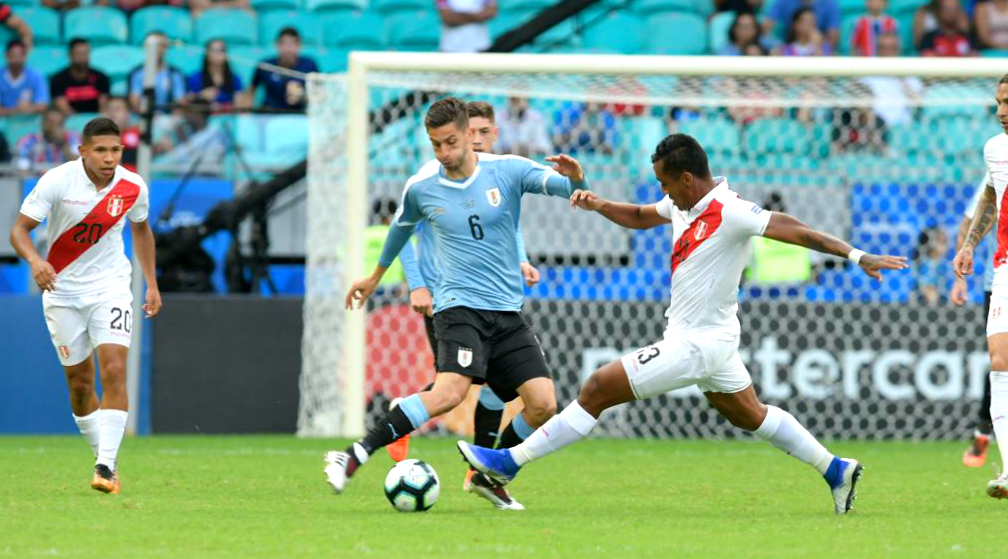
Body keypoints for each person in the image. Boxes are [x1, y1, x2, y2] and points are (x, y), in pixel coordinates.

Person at [458, 133, 909, 515]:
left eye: (666, 183)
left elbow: (796, 229)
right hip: (710, 341)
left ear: (688, 179)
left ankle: (507, 462)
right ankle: (837, 470)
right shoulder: (682, 205)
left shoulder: (729, 210)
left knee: (596, 388)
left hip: (698, 343)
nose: (664, 192)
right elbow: (637, 216)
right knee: (750, 414)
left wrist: (857, 255)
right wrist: (598, 205)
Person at [326, 97, 589, 502]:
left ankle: (489, 473)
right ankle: (354, 454)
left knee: (542, 404)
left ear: (470, 135)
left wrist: (576, 179)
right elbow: (400, 231)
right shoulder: (423, 186)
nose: (445, 153)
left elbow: (568, 190)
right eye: (436, 145)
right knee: (450, 393)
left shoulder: (508, 170)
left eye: (451, 142)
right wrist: (375, 277)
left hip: (505, 312)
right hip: (457, 307)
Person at [395, 100, 548, 510]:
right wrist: (417, 285)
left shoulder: (494, 173)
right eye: (470, 133)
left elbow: (504, 226)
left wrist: (521, 259)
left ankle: (480, 467)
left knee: (494, 385)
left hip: (492, 296)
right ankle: (411, 417)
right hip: (446, 295)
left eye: (482, 133)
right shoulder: (432, 177)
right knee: (463, 385)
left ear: (490, 134)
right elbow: (403, 232)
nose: (473, 140)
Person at [7, 116, 160, 494]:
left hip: (110, 288)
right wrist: (36, 262)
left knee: (113, 368)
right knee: (79, 386)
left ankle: (105, 466)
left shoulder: (132, 186)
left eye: (116, 150)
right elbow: (18, 230)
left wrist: (152, 283)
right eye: (102, 150)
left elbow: (141, 229)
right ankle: (105, 458)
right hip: (62, 291)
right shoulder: (57, 180)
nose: (110, 158)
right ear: (83, 151)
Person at [952, 73, 1008, 499]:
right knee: (999, 360)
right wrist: (970, 245)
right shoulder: (995, 149)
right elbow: (990, 196)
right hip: (1004, 266)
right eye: (999, 102)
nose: (1002, 112)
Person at [951, 179, 995, 467]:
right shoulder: (999, 165)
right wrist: (959, 279)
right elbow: (969, 223)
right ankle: (983, 430)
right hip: (1001, 283)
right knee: (1002, 361)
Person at [859, 31, 923, 129]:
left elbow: (918, 105)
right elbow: (860, 108)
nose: (887, 53)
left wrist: (901, 78)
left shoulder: (910, 76)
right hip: (874, 128)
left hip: (903, 128)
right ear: (877, 50)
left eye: (892, 48)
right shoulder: (866, 77)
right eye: (882, 48)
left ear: (899, 50)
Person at [250, 28, 318, 112]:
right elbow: (250, 92)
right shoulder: (265, 65)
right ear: (277, 45)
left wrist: (302, 95)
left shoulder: (309, 65)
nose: (288, 49)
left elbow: (320, 96)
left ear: (300, 46)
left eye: (292, 44)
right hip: (269, 116)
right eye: (284, 44)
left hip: (299, 117)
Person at [49, 38, 111, 116]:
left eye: (85, 53)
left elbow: (103, 108)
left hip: (95, 123)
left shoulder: (101, 77)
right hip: (69, 123)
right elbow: (63, 108)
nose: (82, 58)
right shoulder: (57, 79)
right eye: (78, 53)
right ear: (70, 55)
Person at [127, 32, 185, 113]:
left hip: (168, 119)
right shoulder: (137, 73)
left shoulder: (175, 74)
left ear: (166, 48)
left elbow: (180, 102)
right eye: (151, 45)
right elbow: (135, 101)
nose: (157, 49)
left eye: (161, 45)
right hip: (142, 116)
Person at [186, 39, 244, 111]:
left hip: (228, 118)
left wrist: (224, 107)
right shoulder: (195, 77)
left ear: (226, 55)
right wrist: (201, 96)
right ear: (206, 54)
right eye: (213, 50)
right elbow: (187, 102)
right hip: (203, 118)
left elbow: (239, 106)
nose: (216, 54)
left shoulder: (235, 79)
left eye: (220, 51)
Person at [16, 106, 81, 169]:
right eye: (52, 123)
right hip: (37, 178)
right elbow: (22, 169)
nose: (55, 128)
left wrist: (64, 143)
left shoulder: (73, 138)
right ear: (43, 124)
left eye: (59, 124)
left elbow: (78, 164)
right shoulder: (28, 141)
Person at [763, 0, 840, 51]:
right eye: (804, 21)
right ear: (795, 25)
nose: (808, 25)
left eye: (811, 21)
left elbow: (832, 40)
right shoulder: (786, 49)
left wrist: (817, 45)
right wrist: (777, 47)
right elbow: (766, 30)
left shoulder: (830, 4)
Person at [0, 39, 49, 116]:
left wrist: (29, 108)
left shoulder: (36, 76)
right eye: (13, 55)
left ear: (25, 56)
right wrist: (16, 110)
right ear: (6, 55)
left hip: (30, 121)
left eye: (19, 55)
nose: (16, 59)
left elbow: (42, 105)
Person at [106, 95, 139, 170]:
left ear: (127, 114)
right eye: (110, 109)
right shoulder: (96, 137)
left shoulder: (138, 134)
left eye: (117, 109)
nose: (112, 112)